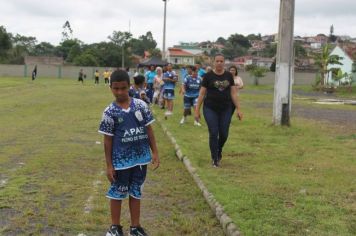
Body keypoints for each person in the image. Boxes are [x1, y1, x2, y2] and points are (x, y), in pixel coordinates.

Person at [98, 69, 159, 236]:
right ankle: (115, 227)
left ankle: (135, 227)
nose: (119, 92)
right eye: (115, 88)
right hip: (120, 162)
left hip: (140, 159)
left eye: (123, 88)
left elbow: (149, 130)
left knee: (136, 191)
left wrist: (155, 152)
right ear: (110, 88)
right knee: (118, 192)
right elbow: (107, 140)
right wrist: (109, 165)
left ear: (129, 86)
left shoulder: (141, 105)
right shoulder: (109, 112)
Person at [195, 54, 243, 167]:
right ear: (214, 62)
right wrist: (197, 110)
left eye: (221, 61)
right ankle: (214, 158)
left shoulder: (228, 76)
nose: (219, 63)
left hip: (226, 108)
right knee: (213, 132)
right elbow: (202, 94)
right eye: (217, 61)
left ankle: (219, 149)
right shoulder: (208, 76)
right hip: (210, 108)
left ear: (224, 62)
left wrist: (239, 109)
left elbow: (233, 93)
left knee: (224, 133)